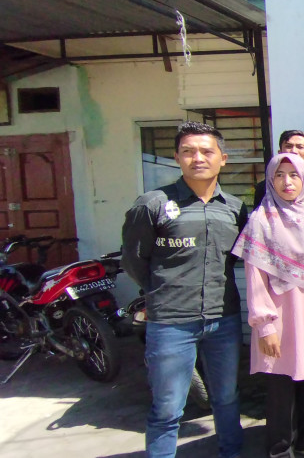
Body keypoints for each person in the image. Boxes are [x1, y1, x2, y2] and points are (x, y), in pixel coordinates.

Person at [121, 121, 246, 458]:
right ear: (176, 157)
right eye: (189, 151)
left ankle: (231, 452)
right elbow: (133, 260)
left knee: (227, 397)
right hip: (171, 323)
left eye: (207, 151)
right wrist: (161, 292)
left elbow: (236, 257)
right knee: (167, 407)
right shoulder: (152, 204)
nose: (198, 158)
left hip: (224, 319)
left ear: (223, 158)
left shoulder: (234, 208)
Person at [233, 154, 304, 458]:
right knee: (280, 385)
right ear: (270, 179)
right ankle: (280, 448)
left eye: (294, 174)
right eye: (279, 175)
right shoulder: (261, 221)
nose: (287, 181)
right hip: (277, 315)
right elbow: (254, 278)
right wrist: (265, 325)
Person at [253, 130, 304, 218]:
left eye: (300, 147)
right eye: (288, 146)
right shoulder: (265, 187)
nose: (293, 151)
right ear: (280, 152)